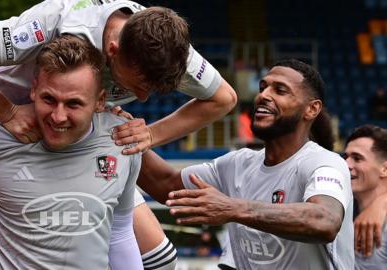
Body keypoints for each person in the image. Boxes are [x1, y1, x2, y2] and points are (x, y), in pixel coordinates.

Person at [0, 1, 237, 269]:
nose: (143, 99)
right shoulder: (57, 19)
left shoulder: (163, 45)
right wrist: (9, 114)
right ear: (112, 51)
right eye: (136, 86)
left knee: (159, 258)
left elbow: (224, 98)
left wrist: (150, 133)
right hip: (3, 143)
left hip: (77, 141)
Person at [0, 35, 142, 269]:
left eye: (73, 104)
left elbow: (119, 230)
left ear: (100, 101)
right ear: (33, 90)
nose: (58, 116)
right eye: (49, 99)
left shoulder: (122, 141)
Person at [136, 59, 354, 269]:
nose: (263, 95)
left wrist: (232, 207)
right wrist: (118, 134)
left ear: (312, 109)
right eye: (263, 87)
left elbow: (325, 220)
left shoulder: (324, 162)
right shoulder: (238, 164)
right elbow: (167, 184)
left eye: (280, 90)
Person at [344, 124, 387, 269]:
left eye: (357, 158)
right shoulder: (343, 210)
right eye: (346, 157)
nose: (346, 164)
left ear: (384, 169)